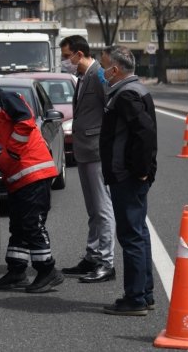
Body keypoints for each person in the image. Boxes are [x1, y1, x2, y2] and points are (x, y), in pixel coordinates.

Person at [0, 80, 64, 293]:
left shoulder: (3, 99)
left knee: (32, 224)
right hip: (19, 176)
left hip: (32, 171)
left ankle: (47, 271)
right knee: (18, 225)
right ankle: (17, 271)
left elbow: (25, 121)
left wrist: (13, 152)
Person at [99, 45, 158, 316]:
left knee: (131, 236)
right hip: (132, 175)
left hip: (127, 175)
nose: (102, 71)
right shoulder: (136, 89)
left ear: (116, 69)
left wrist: (141, 170)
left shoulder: (125, 95)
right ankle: (144, 294)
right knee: (140, 234)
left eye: (105, 67)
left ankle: (134, 299)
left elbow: (144, 133)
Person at [59, 35, 116, 283]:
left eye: (66, 56)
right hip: (84, 150)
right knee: (93, 208)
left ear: (78, 54)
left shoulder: (99, 75)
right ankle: (92, 256)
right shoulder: (82, 77)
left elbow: (111, 109)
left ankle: (107, 262)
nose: (64, 61)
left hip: (96, 150)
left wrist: (106, 141)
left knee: (103, 208)